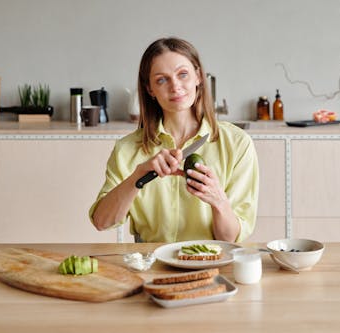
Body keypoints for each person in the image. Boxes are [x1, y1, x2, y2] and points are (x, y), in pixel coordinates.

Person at [89, 37, 259, 243]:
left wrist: (218, 200)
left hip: (210, 261)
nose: (175, 86)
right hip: (151, 265)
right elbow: (102, 222)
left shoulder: (238, 144)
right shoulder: (127, 149)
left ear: (198, 76)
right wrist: (138, 177)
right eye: (162, 79)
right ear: (150, 89)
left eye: (183, 74)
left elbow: (229, 238)